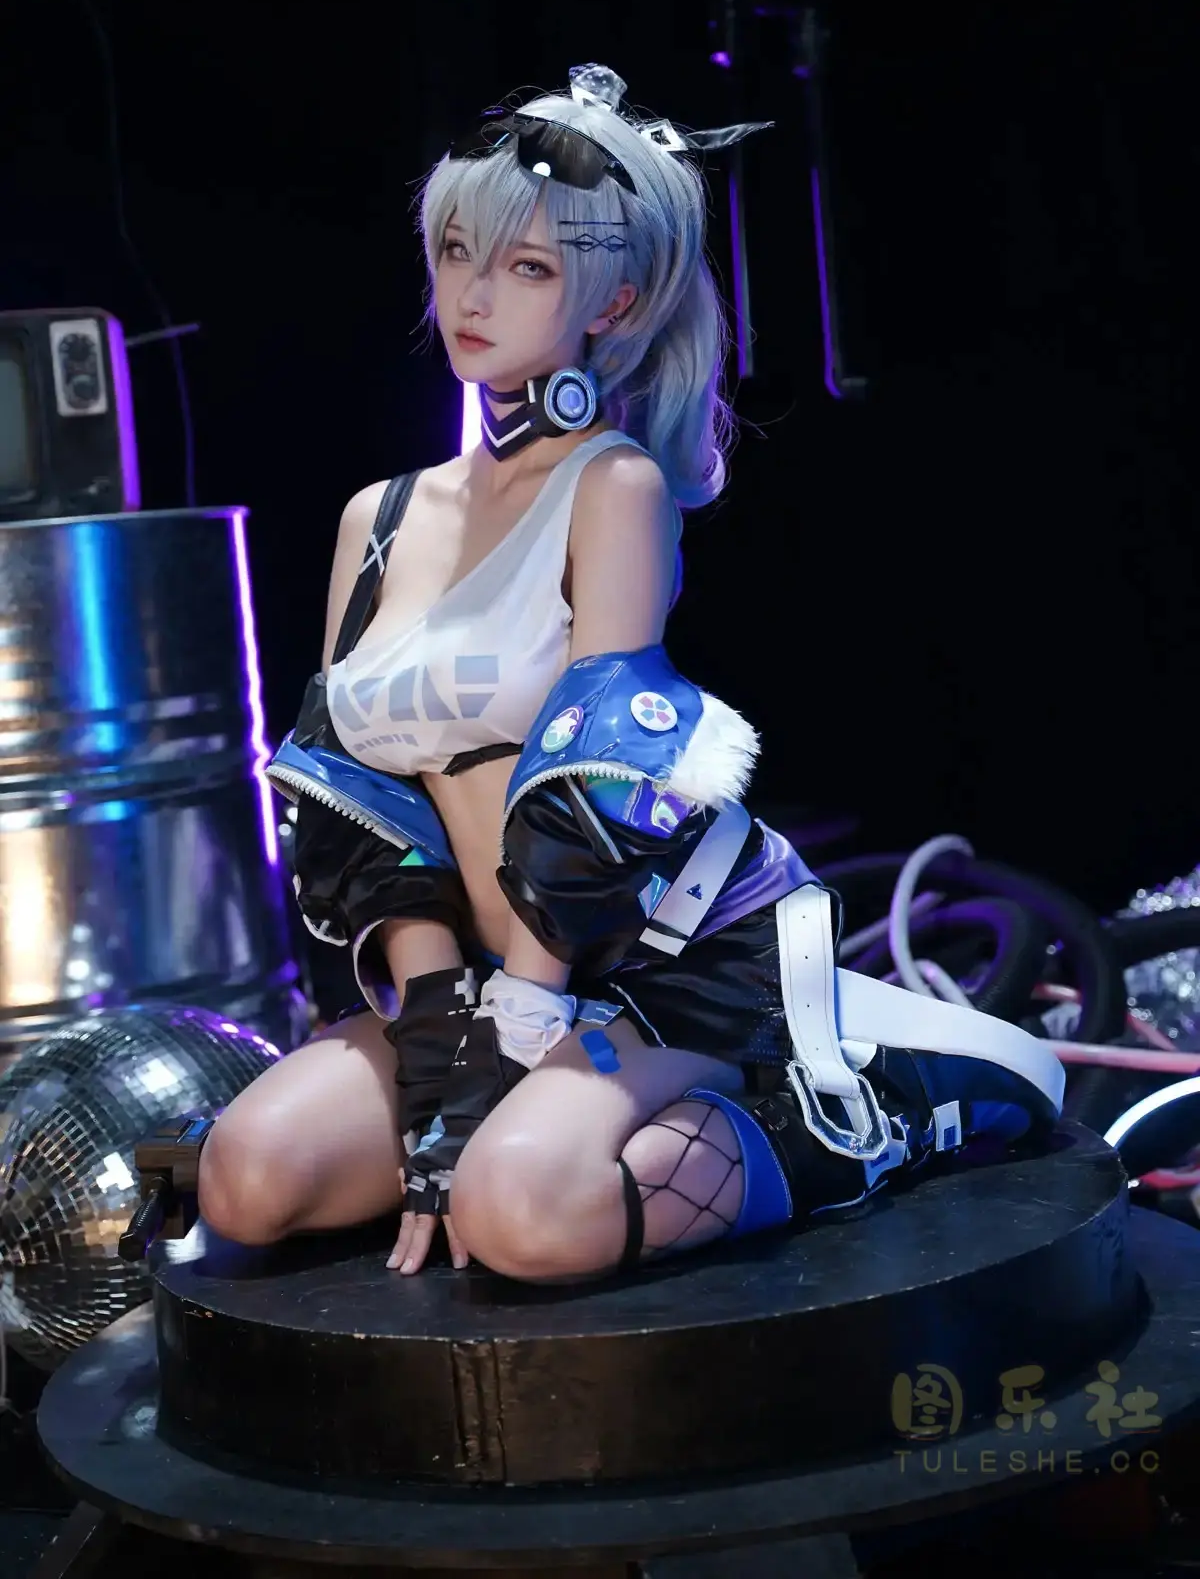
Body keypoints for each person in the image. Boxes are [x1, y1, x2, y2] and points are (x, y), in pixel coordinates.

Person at [197, 64, 1064, 1284]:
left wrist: (521, 1030)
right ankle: (549, 1096)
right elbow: (360, 797)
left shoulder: (614, 487)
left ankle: (873, 1109)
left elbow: (602, 774)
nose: (473, 295)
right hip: (482, 978)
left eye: (527, 267)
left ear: (615, 300)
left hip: (663, 958)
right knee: (246, 1181)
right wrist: (441, 1036)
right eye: (456, 251)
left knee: (520, 1217)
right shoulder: (376, 519)